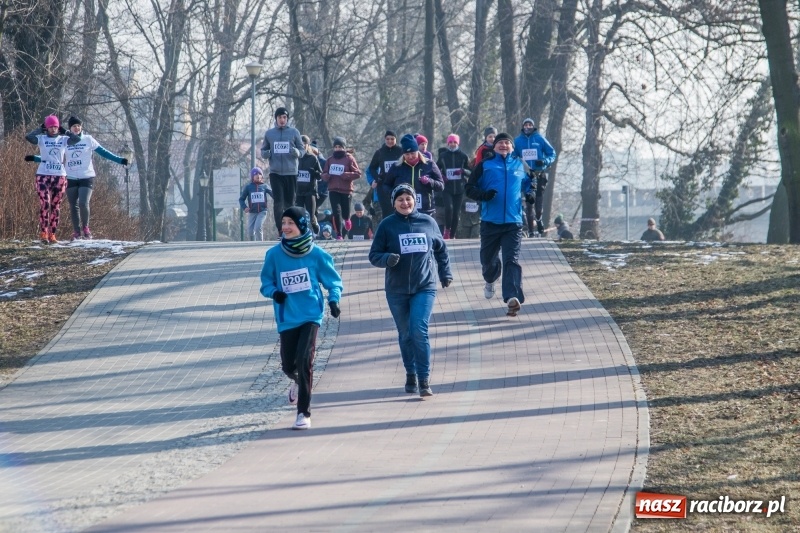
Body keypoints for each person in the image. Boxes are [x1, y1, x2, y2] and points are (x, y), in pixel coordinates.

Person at [259, 207, 343, 430]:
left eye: (290, 223)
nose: (285, 227)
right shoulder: (274, 255)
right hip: (287, 317)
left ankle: (303, 413)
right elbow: (266, 283)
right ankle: (296, 380)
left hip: (311, 315)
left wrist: (334, 300)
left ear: (302, 226)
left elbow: (333, 282)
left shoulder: (317, 255)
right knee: (288, 364)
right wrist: (274, 292)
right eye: (283, 222)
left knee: (305, 360)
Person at [369, 184, 452, 398]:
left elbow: (441, 250)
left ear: (415, 200)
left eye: (408, 199)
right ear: (394, 203)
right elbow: (374, 255)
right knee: (405, 334)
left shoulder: (428, 222)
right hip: (396, 290)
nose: (405, 203)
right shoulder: (387, 225)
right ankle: (410, 373)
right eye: (400, 200)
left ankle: (424, 379)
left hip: (424, 286)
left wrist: (445, 274)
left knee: (418, 330)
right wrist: (387, 259)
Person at [465, 132, 534, 317]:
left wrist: (531, 193)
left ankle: (512, 298)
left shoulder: (519, 164)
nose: (504, 145)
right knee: (488, 260)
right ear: (494, 147)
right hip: (490, 222)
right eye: (500, 143)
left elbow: (529, 183)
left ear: (512, 147)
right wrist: (484, 195)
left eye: (507, 143)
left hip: (514, 223)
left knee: (511, 260)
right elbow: (469, 188)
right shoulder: (484, 165)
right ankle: (490, 279)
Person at [25, 115, 81, 243]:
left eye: (55, 126)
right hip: (43, 174)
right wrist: (41, 129)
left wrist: (65, 131)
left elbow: (76, 139)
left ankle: (52, 234)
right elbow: (29, 137)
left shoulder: (63, 139)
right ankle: (44, 232)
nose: (53, 129)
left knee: (55, 206)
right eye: (51, 127)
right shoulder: (42, 138)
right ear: (47, 127)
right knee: (45, 203)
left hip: (59, 175)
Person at [261, 106, 305, 234]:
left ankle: (290, 228)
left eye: (284, 117)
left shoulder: (294, 132)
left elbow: (302, 150)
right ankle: (280, 229)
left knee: (290, 202)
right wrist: (266, 154)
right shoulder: (269, 134)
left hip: (291, 172)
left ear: (287, 119)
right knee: (278, 202)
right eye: (280, 117)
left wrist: (297, 152)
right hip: (275, 173)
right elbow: (263, 150)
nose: (282, 120)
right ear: (276, 118)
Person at [381, 134, 444, 218]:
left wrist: (429, 181)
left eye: (412, 153)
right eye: (407, 154)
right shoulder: (396, 167)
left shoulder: (429, 164)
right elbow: (386, 185)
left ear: (417, 151)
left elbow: (441, 186)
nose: (410, 156)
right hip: (403, 210)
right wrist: (395, 193)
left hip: (426, 211)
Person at [514, 118, 556, 237]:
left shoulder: (540, 138)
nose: (527, 127)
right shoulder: (517, 141)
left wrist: (544, 161)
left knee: (538, 204)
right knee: (529, 204)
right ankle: (531, 231)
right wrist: (519, 163)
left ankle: (539, 220)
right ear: (522, 127)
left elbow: (552, 153)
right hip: (526, 176)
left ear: (533, 127)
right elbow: (513, 156)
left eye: (530, 125)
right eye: (525, 125)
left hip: (539, 174)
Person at [321, 136, 361, 239]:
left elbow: (358, 173)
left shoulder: (349, 158)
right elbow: (324, 173)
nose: (338, 149)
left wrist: (346, 175)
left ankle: (347, 219)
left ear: (344, 148)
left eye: (340, 147)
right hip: (333, 189)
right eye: (336, 147)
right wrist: (326, 176)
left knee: (345, 211)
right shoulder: (330, 160)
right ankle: (339, 234)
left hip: (346, 190)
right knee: (336, 211)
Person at [436, 133, 471, 240]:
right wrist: (442, 176)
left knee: (456, 213)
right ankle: (447, 230)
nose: (452, 144)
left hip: (460, 188)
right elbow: (436, 170)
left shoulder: (463, 156)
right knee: (449, 208)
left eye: (454, 142)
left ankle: (452, 234)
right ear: (448, 143)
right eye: (450, 142)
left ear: (458, 143)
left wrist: (462, 171)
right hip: (447, 188)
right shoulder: (443, 156)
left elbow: (471, 172)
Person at [367, 130, 403, 223]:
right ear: (384, 139)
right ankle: (388, 233)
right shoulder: (379, 152)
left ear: (396, 139)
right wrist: (377, 178)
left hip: (397, 184)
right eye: (387, 139)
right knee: (386, 211)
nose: (390, 141)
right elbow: (371, 168)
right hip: (383, 185)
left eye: (392, 139)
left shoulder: (401, 151)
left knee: (398, 209)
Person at [296, 135, 323, 234]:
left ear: (308, 145)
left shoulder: (313, 158)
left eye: (304, 144)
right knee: (299, 215)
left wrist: (314, 173)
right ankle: (302, 233)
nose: (302, 145)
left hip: (310, 191)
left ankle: (314, 223)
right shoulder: (295, 158)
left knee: (310, 215)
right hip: (298, 191)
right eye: (300, 144)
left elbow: (321, 175)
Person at [239, 167, 274, 241]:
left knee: (258, 227)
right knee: (250, 231)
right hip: (252, 212)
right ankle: (253, 245)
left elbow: (274, 195)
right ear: (252, 177)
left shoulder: (265, 186)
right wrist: (244, 207)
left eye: (260, 174)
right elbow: (241, 199)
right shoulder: (248, 187)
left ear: (262, 176)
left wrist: (279, 198)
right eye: (255, 174)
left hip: (262, 211)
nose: (258, 175)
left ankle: (260, 244)